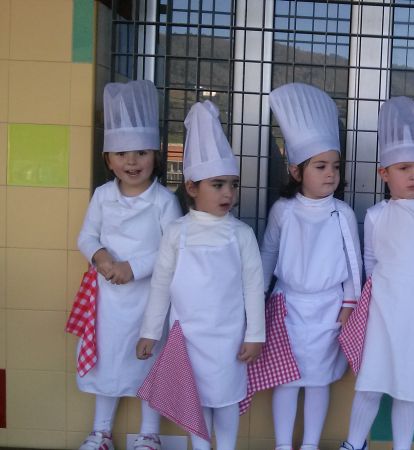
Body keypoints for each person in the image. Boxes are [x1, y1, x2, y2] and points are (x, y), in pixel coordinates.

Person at [136, 101, 265, 450]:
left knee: (226, 399)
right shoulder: (177, 232)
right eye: (217, 184)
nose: (228, 193)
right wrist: (150, 331)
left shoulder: (241, 234)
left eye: (233, 185)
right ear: (192, 187)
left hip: (228, 337)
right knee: (195, 399)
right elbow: (161, 285)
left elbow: (254, 287)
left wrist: (255, 334)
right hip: (188, 336)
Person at [339, 97, 414, 450]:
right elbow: (371, 262)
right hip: (383, 312)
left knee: (410, 385)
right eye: (404, 168)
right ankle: (354, 443)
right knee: (371, 381)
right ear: (384, 174)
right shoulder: (376, 215)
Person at [76, 80, 180, 450]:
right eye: (121, 154)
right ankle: (101, 431)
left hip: (149, 300)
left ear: (156, 155)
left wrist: (132, 268)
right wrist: (102, 257)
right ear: (108, 159)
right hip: (107, 302)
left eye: (140, 152)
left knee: (148, 362)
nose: (131, 161)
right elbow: (86, 236)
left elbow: (172, 249)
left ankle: (149, 434)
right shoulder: (102, 196)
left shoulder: (164, 201)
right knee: (108, 361)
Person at [262, 83, 362, 450]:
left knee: (319, 381)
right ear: (296, 170)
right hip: (288, 306)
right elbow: (269, 253)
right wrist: (258, 296)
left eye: (334, 166)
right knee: (287, 379)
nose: (330, 174)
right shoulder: (283, 211)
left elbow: (354, 263)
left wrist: (349, 306)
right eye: (320, 166)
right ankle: (283, 444)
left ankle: (310, 444)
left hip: (328, 309)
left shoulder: (342, 213)